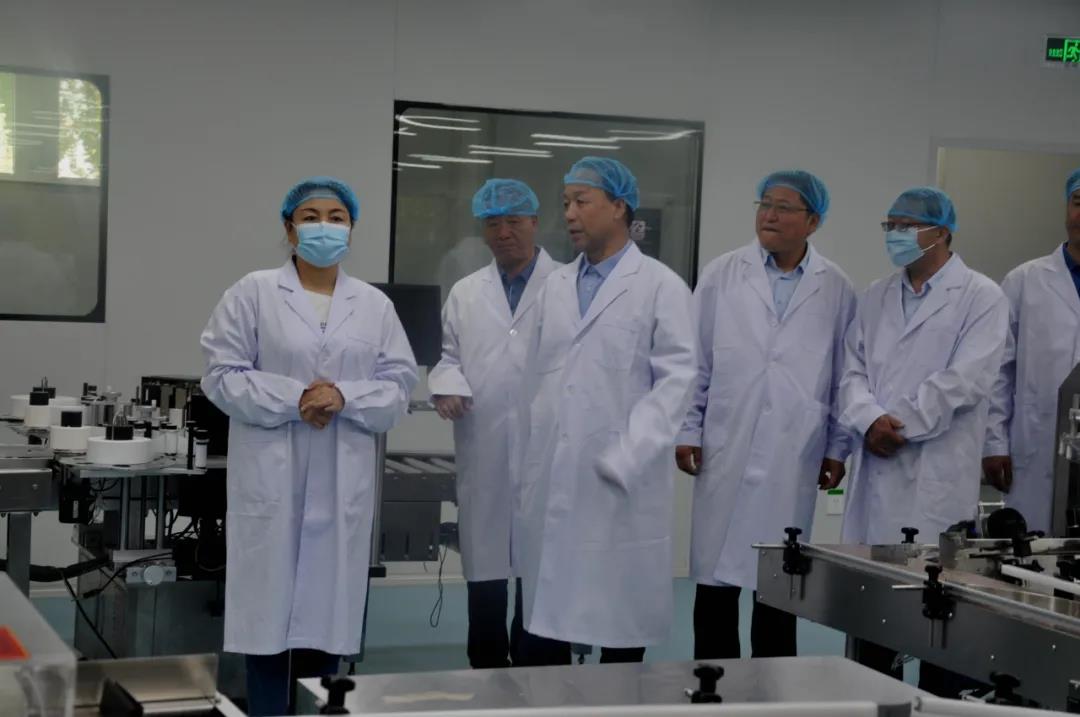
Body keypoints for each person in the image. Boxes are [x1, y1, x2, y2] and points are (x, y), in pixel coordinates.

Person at [200, 177, 418, 716]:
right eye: (311, 216)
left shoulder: (374, 305)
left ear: (352, 228)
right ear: (290, 227)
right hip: (271, 478)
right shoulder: (252, 292)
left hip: (341, 480)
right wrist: (295, 398)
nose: (325, 226)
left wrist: (344, 396)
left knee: (326, 623)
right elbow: (221, 376)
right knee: (267, 624)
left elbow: (398, 388)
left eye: (337, 217)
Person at [512, 157, 697, 666]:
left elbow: (678, 380)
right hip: (554, 475)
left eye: (581, 201)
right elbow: (533, 380)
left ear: (619, 207)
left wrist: (629, 452)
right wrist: (528, 463)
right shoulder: (554, 286)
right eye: (566, 203)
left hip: (623, 482)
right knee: (546, 627)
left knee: (619, 629)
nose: (570, 213)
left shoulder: (660, 286)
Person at [676, 170, 855, 660]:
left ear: (812, 221)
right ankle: (714, 687)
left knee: (779, 588)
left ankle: (774, 691)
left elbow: (844, 375)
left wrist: (838, 448)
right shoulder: (722, 273)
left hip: (792, 452)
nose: (769, 215)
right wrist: (688, 428)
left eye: (784, 207)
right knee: (715, 590)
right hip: (726, 443)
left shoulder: (835, 287)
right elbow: (696, 360)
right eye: (764, 204)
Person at [838, 186, 1008, 691]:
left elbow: (967, 379)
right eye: (890, 225)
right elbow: (851, 372)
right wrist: (870, 419)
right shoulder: (875, 295)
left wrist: (901, 425)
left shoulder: (981, 296)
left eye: (907, 226)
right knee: (873, 621)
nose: (896, 235)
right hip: (876, 472)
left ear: (942, 231)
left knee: (939, 619)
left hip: (937, 472)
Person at [428, 178, 561, 668]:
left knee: (540, 565)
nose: (503, 232)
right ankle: (485, 669)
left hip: (547, 444)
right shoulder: (466, 293)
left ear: (534, 222)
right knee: (485, 565)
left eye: (513, 221)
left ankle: (539, 667)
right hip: (483, 440)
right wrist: (446, 384)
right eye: (492, 223)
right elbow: (447, 356)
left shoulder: (567, 286)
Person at [984, 168, 1080, 533]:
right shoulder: (1024, 280)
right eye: (1078, 202)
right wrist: (994, 442)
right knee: (1035, 552)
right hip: (1036, 445)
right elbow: (998, 370)